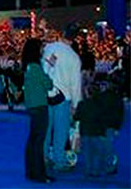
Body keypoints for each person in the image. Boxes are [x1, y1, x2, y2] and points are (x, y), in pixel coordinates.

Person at [42, 25, 82, 172]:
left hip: (47, 94)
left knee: (46, 128)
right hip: (63, 97)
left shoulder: (49, 49)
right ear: (75, 38)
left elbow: (44, 69)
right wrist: (76, 104)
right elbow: (76, 84)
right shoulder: (74, 57)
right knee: (61, 130)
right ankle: (59, 160)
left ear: (63, 33)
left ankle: (44, 157)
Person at [22, 39, 54, 183]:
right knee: (39, 140)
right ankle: (39, 173)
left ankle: (31, 171)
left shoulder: (28, 67)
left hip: (31, 105)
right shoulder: (36, 67)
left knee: (33, 139)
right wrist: (50, 68)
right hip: (40, 105)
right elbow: (48, 84)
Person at [73, 81, 107, 177]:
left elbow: (76, 117)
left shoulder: (82, 104)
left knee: (87, 152)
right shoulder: (101, 105)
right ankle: (95, 170)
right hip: (98, 132)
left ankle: (88, 170)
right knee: (97, 152)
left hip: (85, 132)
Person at [95, 75, 124, 175]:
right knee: (107, 146)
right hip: (109, 125)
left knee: (101, 146)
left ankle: (100, 166)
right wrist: (117, 127)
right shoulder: (116, 98)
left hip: (101, 125)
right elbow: (120, 114)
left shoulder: (97, 97)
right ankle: (109, 167)